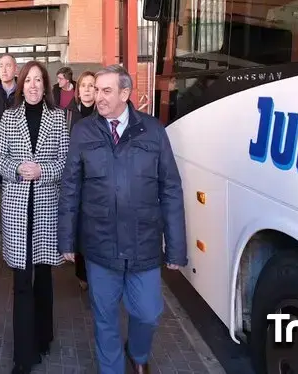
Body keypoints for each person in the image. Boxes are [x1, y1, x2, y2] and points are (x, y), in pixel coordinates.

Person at [58, 65, 187, 374]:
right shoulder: (83, 131)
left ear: (125, 94)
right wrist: (66, 239)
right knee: (105, 318)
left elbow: (170, 188)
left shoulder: (153, 131)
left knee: (149, 313)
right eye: (96, 90)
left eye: (105, 91)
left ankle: (139, 354)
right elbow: (71, 186)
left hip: (143, 245)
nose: (97, 97)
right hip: (100, 244)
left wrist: (176, 247)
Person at [0, 60, 69, 374]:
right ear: (21, 85)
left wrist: (43, 170)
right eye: (29, 81)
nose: (34, 86)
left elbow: (65, 161)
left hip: (46, 208)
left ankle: (44, 335)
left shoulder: (58, 118)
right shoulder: (9, 117)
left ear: (46, 85)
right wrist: (16, 169)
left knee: (44, 279)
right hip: (16, 208)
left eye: (39, 80)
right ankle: (23, 354)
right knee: (22, 280)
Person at [64, 70, 97, 289]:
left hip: (96, 178)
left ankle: (94, 271)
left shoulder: (103, 113)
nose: (87, 89)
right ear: (78, 90)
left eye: (91, 85)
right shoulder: (67, 113)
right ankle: (81, 272)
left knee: (93, 226)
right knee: (78, 225)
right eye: (83, 85)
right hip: (75, 176)